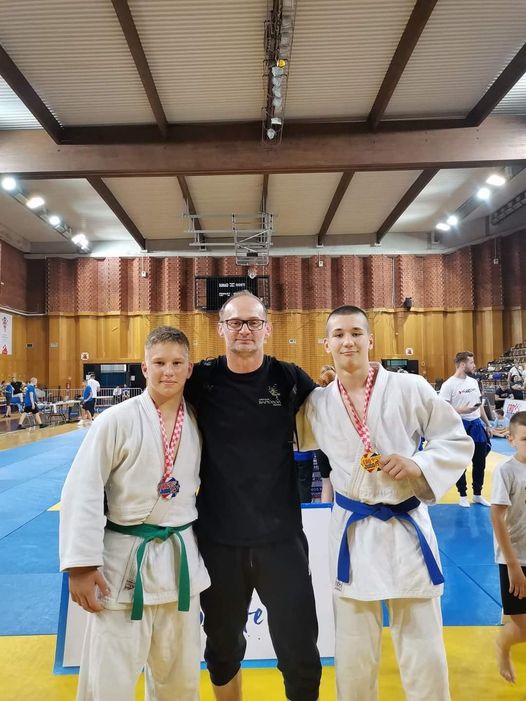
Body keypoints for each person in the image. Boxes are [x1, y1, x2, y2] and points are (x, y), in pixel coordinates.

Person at [299, 305, 473, 701]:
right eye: (339, 334)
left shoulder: (409, 387)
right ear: (326, 344)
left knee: (423, 646)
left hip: (405, 525)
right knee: (353, 650)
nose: (348, 341)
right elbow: (275, 437)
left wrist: (418, 464)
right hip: (353, 529)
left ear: (370, 340)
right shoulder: (317, 404)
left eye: (356, 333)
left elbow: (454, 438)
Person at [59, 326, 210, 701]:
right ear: (144, 368)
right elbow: (83, 487)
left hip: (179, 564)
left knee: (180, 678)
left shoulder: (199, 420)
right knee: (109, 678)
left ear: (189, 369)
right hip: (123, 565)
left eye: (176, 363)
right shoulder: (116, 420)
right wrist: (81, 565)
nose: (168, 371)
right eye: (159, 363)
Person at [185, 290, 321, 701]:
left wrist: (361, 377)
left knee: (299, 646)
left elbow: (337, 415)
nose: (244, 330)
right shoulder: (201, 379)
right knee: (222, 646)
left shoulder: (288, 378)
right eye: (235, 322)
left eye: (253, 322)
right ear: (221, 328)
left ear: (267, 329)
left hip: (281, 538)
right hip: (219, 538)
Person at [491, 411, 526, 684]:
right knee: (523, 627)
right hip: (516, 558)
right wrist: (513, 565)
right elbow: (497, 517)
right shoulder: (507, 471)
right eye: (525, 439)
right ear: (511, 439)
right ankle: (502, 646)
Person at [439, 351, 492, 507]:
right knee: (460, 462)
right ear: (462, 364)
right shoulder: (448, 385)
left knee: (480, 462)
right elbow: (442, 410)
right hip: (459, 426)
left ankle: (477, 494)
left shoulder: (473, 382)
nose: (474, 365)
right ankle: (462, 495)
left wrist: (487, 424)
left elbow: (479, 406)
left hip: (476, 425)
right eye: (471, 363)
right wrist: (461, 410)